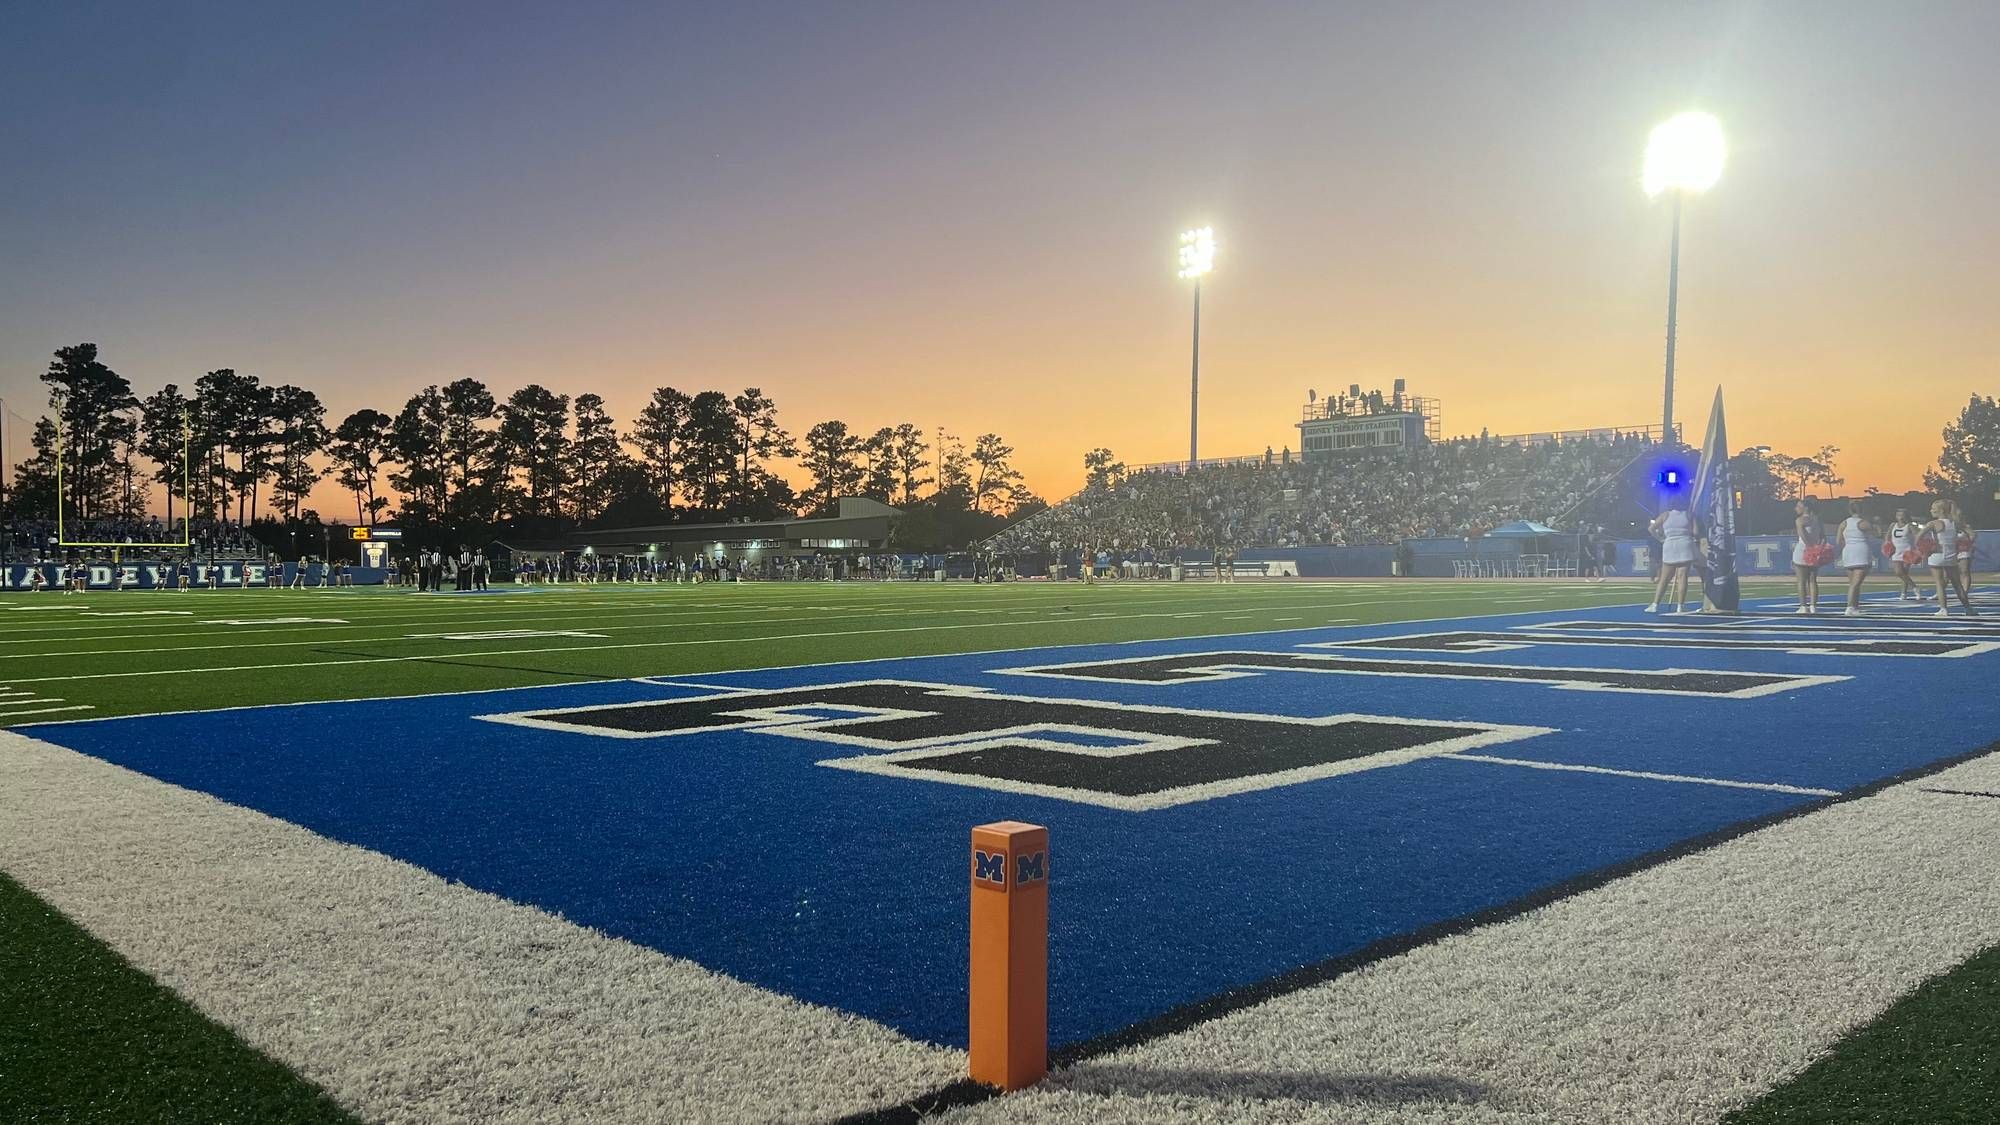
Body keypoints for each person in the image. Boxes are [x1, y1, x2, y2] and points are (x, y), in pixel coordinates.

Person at [1920, 500, 1977, 617]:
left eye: (1933, 508)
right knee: (1957, 585)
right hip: (1951, 556)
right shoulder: (1955, 523)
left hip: (1936, 556)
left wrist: (1922, 549)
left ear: (1940, 511)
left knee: (1939, 584)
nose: (1931, 510)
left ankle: (1943, 609)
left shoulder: (1933, 523)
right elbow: (1972, 534)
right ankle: (1968, 609)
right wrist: (1965, 545)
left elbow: (1918, 537)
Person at [1647, 500, 1698, 614]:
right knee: (1682, 577)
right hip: (1685, 545)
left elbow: (1651, 529)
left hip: (1670, 545)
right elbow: (1696, 532)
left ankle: (1655, 604)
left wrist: (1660, 538)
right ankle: (1680, 606)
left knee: (1664, 578)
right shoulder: (1689, 515)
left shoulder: (1665, 515)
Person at [1834, 501, 1876, 616]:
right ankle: (1849, 607)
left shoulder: (1843, 523)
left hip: (1848, 552)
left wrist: (1848, 546)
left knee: (1853, 583)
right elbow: (1877, 533)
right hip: (1861, 552)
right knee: (1855, 583)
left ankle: (1854, 607)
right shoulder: (1864, 523)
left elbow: (1838, 541)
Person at [1792, 501, 1826, 614]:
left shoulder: (1800, 520)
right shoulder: (1818, 520)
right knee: (1813, 580)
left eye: (1798, 506)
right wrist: (1818, 549)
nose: (1796, 508)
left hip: (1802, 551)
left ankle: (1803, 606)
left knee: (1801, 581)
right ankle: (1813, 606)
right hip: (1816, 551)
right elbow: (1823, 538)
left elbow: (1803, 536)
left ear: (1806, 508)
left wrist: (1810, 549)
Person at [1886, 508, 1921, 600]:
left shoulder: (1909, 526)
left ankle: (1903, 593)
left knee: (1905, 573)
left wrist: (1917, 547)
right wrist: (1887, 545)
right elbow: (1887, 536)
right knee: (1899, 572)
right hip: (1896, 551)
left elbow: (1917, 535)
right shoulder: (1893, 525)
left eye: (1902, 515)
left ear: (1906, 516)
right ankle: (1915, 587)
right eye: (1898, 515)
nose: (1900, 517)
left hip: (1907, 552)